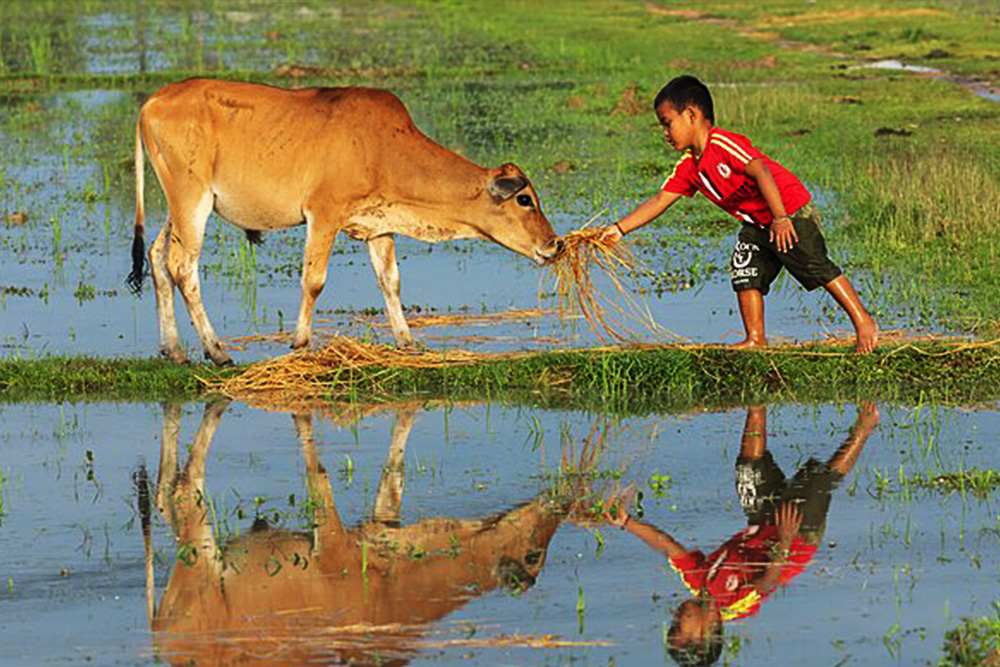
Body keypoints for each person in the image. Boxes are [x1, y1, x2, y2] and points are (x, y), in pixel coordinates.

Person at [600, 75, 878, 353]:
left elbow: (761, 171)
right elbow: (661, 199)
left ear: (691, 115)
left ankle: (864, 323)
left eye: (667, 123)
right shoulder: (689, 167)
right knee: (745, 269)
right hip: (757, 222)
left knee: (814, 264)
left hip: (789, 210)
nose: (665, 133)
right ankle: (756, 339)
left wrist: (781, 219)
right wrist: (618, 229)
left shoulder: (722, 144)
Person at [605, 402, 880, 666]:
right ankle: (865, 427)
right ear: (705, 633)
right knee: (820, 481)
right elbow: (769, 581)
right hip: (795, 538)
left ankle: (757, 401)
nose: (676, 617)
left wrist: (626, 522)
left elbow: (667, 546)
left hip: (761, 525)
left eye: (674, 625)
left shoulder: (698, 583)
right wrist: (785, 538)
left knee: (748, 469)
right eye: (680, 627)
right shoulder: (735, 606)